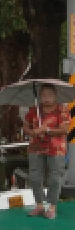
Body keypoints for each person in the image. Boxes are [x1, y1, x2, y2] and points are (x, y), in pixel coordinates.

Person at [24, 84, 70, 220]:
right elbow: (25, 127)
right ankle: (39, 205)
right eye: (44, 95)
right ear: (39, 96)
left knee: (55, 177)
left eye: (50, 95)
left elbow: (65, 130)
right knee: (35, 176)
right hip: (36, 147)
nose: (47, 98)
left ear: (55, 96)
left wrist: (47, 130)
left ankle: (52, 207)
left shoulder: (62, 109)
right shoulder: (34, 110)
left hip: (56, 149)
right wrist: (33, 132)